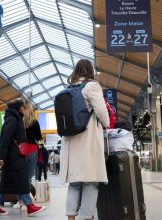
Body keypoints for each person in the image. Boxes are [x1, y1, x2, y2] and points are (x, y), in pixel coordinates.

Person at [60, 59, 110, 220]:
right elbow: (101, 111)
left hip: (71, 141)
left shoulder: (68, 88)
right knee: (91, 182)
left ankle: (71, 218)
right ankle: (86, 218)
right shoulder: (91, 86)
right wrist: (107, 124)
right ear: (90, 70)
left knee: (74, 184)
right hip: (87, 140)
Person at [0, 99, 47, 216]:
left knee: (7, 182)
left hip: (15, 155)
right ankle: (29, 206)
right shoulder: (12, 119)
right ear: (19, 107)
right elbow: (5, 138)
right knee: (20, 180)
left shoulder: (15, 118)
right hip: (13, 156)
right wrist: (2, 157)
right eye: (22, 107)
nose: (23, 109)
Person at [13, 101, 42, 209]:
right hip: (32, 150)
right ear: (32, 110)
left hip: (20, 150)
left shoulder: (19, 121)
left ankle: (20, 201)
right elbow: (38, 137)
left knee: (20, 176)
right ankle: (27, 201)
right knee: (28, 177)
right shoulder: (34, 122)